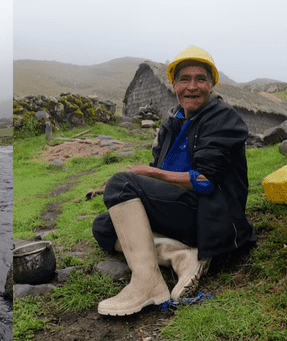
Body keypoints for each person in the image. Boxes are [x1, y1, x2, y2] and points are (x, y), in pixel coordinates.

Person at [92, 46, 256, 316]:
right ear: (174, 84)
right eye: (184, 79)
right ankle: (180, 256)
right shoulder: (171, 126)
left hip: (212, 216)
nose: (192, 87)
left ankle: (148, 283)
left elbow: (204, 181)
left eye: (200, 79)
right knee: (104, 227)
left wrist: (151, 175)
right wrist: (148, 178)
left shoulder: (223, 119)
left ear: (211, 84)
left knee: (122, 184)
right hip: (180, 211)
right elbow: (155, 186)